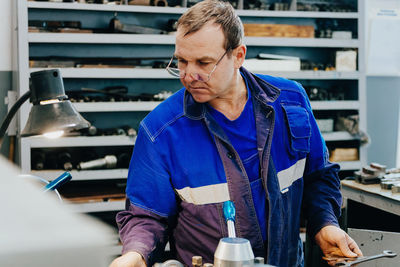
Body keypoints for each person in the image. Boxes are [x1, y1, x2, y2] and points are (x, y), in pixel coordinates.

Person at [110, 1, 362, 266]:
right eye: (181, 61)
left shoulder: (292, 103)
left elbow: (318, 177)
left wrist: (325, 224)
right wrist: (135, 254)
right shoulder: (160, 131)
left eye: (204, 63)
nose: (188, 75)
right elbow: (147, 217)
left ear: (238, 56)